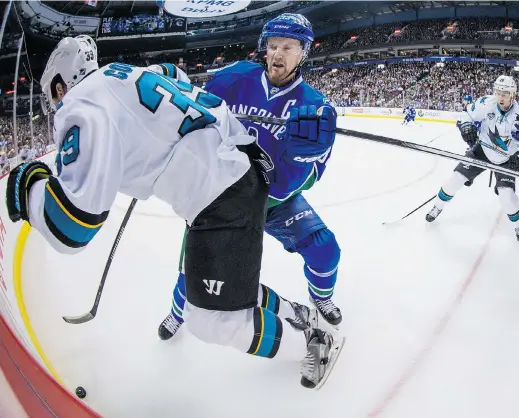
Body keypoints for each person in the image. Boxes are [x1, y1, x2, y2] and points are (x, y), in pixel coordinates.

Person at [6, 35, 343, 389]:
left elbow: (72, 227)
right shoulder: (123, 73)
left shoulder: (82, 104)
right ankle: (298, 316)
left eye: (53, 96)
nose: (56, 105)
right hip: (234, 172)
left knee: (211, 319)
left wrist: (27, 185)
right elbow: (175, 77)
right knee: (217, 290)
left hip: (220, 193)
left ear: (61, 85)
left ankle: (313, 345)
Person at [157, 13, 343, 345]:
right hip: (221, 197)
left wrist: (301, 160)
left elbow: (301, 180)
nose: (278, 54)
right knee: (193, 270)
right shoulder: (231, 80)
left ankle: (321, 298)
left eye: (288, 47)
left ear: (303, 53)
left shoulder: (316, 108)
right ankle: (176, 313)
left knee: (325, 249)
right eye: (272, 46)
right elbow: (194, 118)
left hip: (273, 199)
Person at [425, 75, 519, 241]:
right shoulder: (486, 103)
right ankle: (437, 207)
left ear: (513, 95)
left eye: (505, 93)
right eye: (498, 92)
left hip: (506, 160)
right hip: (482, 151)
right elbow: (466, 114)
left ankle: (518, 225)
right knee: (455, 180)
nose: (500, 97)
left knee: (506, 196)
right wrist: (466, 126)